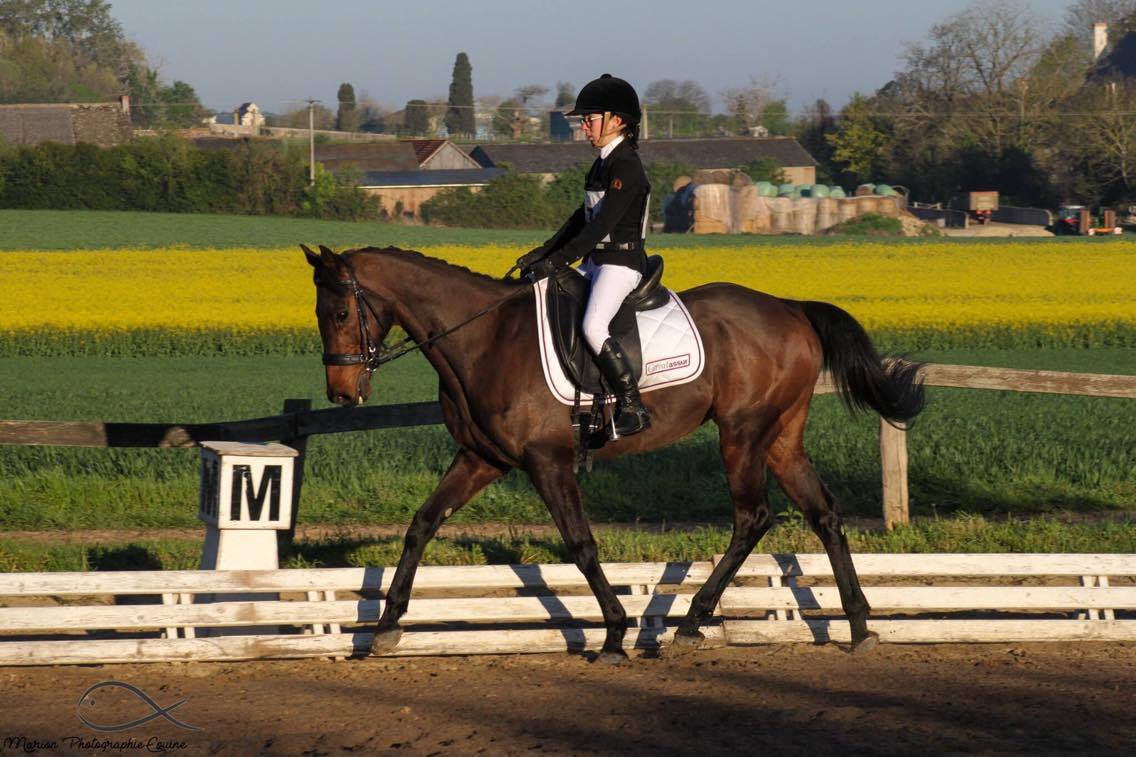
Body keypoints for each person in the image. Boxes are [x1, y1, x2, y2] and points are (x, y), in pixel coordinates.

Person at [517, 74, 653, 438]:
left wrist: (559, 261)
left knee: (593, 326)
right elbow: (581, 219)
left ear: (617, 121)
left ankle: (633, 406)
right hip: (596, 263)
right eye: (584, 121)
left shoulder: (627, 166)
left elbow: (601, 226)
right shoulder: (602, 164)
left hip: (621, 265)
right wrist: (543, 252)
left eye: (590, 120)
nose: (584, 127)